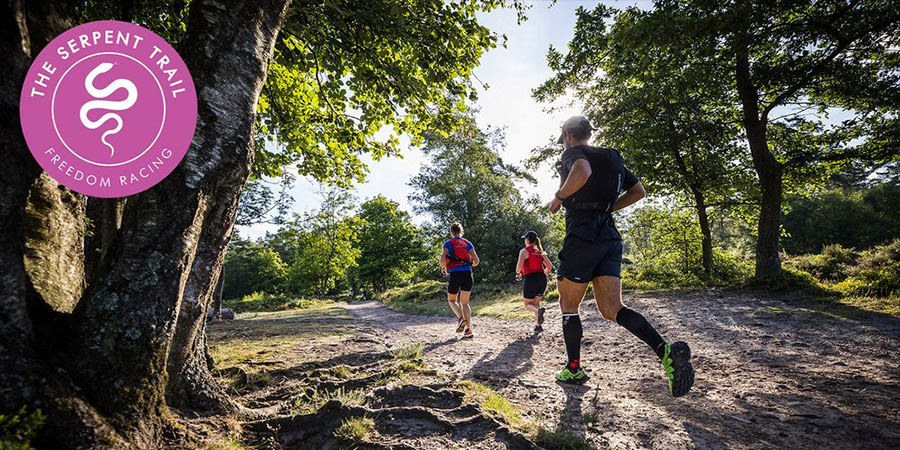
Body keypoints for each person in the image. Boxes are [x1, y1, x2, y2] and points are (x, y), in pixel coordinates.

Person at [548, 115, 695, 397]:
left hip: (581, 236)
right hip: (609, 238)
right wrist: (606, 210)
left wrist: (559, 197)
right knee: (612, 309)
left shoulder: (573, 153)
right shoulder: (611, 158)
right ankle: (665, 353)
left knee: (569, 306)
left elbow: (581, 171)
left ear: (567, 134)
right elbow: (638, 191)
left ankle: (574, 368)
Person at [440, 223, 480, 339]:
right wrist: (468, 263)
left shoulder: (448, 244)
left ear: (451, 232)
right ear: (461, 231)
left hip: (455, 275)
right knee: (465, 303)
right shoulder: (467, 243)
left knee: (451, 300)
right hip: (467, 274)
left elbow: (442, 261)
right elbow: (476, 261)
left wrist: (446, 267)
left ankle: (461, 319)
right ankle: (468, 330)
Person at [515, 230, 553, 332]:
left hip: (531, 279)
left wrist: (519, 274)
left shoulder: (524, 251)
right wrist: (542, 273)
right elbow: (549, 267)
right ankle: (538, 326)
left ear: (527, 240)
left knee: (528, 304)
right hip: (542, 279)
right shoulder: (540, 252)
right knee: (536, 303)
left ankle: (539, 311)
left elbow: (518, 268)